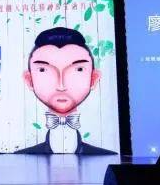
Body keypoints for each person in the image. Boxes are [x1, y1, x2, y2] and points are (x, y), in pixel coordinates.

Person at [17, 27, 116, 155]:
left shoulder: (107, 157)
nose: (61, 86)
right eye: (43, 70)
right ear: (29, 80)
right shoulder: (22, 157)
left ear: (93, 79)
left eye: (79, 69)